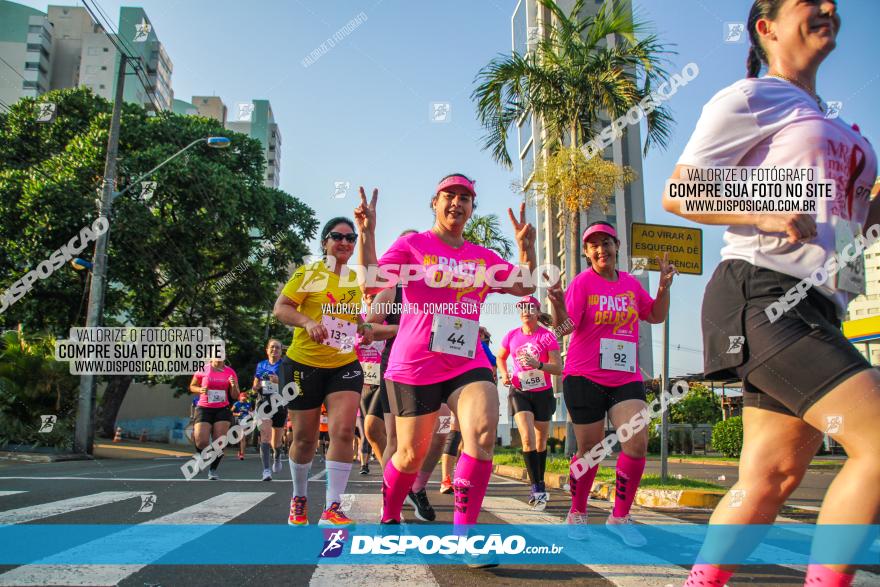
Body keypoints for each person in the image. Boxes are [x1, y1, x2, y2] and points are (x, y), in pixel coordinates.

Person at [661, 2, 880, 585]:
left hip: (820, 303)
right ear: (767, 27)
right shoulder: (753, 96)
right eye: (810, 1)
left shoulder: (825, 116)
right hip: (762, 293)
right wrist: (763, 213)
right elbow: (681, 191)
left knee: (769, 480)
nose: (830, 6)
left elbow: (851, 220)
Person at [355, 173, 536, 555]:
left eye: (465, 198)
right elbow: (371, 280)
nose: (457, 203)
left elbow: (526, 286)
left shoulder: (482, 257)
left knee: (483, 432)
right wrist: (366, 233)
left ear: (471, 208)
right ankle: (389, 514)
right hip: (414, 364)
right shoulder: (412, 246)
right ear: (434, 203)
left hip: (465, 363)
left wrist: (526, 248)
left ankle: (465, 538)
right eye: (449, 196)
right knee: (409, 455)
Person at [549, 221, 675, 546]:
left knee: (636, 441)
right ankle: (577, 512)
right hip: (585, 375)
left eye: (606, 243)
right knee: (589, 450)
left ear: (616, 246)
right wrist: (558, 302)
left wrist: (663, 288)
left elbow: (656, 316)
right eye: (594, 245)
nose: (601, 249)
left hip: (625, 377)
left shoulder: (631, 284)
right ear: (587, 252)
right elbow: (564, 327)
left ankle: (619, 517)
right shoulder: (582, 283)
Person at [273, 216, 373, 527]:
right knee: (304, 438)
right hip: (303, 365)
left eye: (349, 237)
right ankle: (299, 497)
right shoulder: (310, 273)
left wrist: (364, 326)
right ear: (325, 242)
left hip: (343, 365)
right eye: (337, 236)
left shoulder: (352, 280)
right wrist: (307, 322)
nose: (344, 242)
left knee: (343, 431)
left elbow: (348, 315)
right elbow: (281, 308)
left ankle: (332, 507)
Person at [497, 296, 562, 511]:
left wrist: (539, 364)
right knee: (527, 439)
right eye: (522, 308)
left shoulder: (547, 337)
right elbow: (500, 356)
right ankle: (537, 488)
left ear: (536, 311)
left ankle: (540, 480)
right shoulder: (511, 336)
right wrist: (505, 373)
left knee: (541, 442)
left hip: (542, 393)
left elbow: (558, 367)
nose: (525, 311)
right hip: (519, 391)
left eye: (530, 307)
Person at [189, 358, 240, 480]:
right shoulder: (203, 369)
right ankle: (201, 457)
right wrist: (199, 389)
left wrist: (233, 386)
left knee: (220, 442)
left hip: (222, 408)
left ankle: (212, 470)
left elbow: (235, 395)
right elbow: (192, 386)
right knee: (201, 441)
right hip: (204, 407)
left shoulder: (230, 372)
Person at [252, 339, 286, 481]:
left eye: (277, 348)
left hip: (280, 403)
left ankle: (277, 455)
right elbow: (254, 387)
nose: (274, 350)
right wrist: (257, 386)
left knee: (276, 442)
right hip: (264, 403)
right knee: (265, 436)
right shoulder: (261, 365)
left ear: (281, 351)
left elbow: (292, 386)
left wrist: (279, 381)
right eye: (272, 347)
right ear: (267, 350)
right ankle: (266, 470)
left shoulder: (285, 365)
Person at [231, 392, 253, 460]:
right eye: (242, 397)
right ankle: (239, 451)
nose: (244, 398)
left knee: (243, 437)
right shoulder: (237, 404)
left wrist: (251, 414)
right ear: (240, 397)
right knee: (239, 438)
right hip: (238, 421)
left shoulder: (248, 404)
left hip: (245, 422)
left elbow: (251, 412)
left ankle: (242, 454)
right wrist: (237, 414)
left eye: (245, 397)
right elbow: (230, 412)